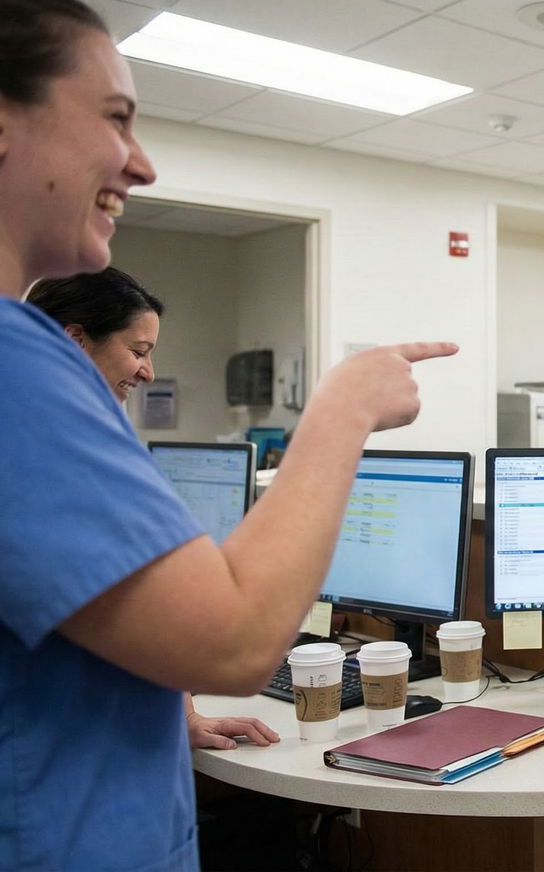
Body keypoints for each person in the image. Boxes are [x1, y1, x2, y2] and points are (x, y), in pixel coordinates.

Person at [0, 3, 455, 868]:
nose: (141, 160)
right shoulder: (14, 366)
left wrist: (175, 713)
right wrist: (342, 408)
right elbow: (240, 641)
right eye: (116, 117)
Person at [28, 267, 280, 751]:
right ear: (76, 340)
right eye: (138, 351)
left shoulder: (88, 442)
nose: (148, 371)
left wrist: (182, 712)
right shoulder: (50, 458)